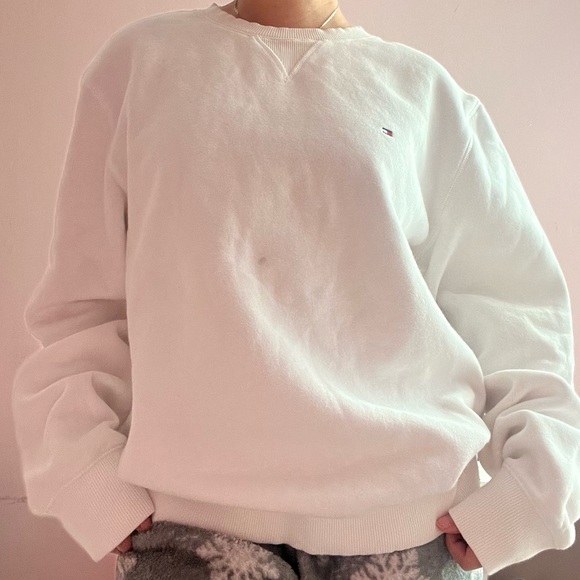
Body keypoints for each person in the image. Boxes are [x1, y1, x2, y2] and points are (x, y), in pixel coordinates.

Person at [12, 1, 580, 579]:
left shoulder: (424, 91)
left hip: (414, 526)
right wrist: (85, 476)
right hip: (188, 529)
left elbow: (513, 309)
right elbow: (84, 307)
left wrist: (535, 491)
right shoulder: (140, 65)